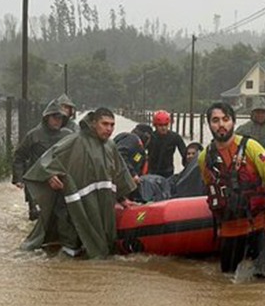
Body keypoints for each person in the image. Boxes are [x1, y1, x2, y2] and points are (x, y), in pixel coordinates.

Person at [22, 107, 137, 257]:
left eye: (112, 125)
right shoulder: (75, 141)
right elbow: (47, 160)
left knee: (104, 247)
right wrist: (49, 176)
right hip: (77, 208)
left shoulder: (110, 146)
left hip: (103, 207)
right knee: (72, 249)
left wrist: (123, 199)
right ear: (94, 123)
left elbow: (118, 174)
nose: (109, 129)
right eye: (105, 124)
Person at [198, 102, 265, 278]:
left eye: (225, 119)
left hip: (259, 225)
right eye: (215, 120)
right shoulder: (204, 158)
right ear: (209, 125)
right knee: (227, 282)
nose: (221, 125)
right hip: (231, 228)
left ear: (233, 122)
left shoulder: (251, 147)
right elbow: (209, 187)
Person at [11, 98, 73, 221]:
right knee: (37, 216)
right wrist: (18, 178)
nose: (57, 121)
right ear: (47, 118)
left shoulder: (68, 135)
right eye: (55, 118)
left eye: (60, 118)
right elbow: (19, 156)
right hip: (36, 181)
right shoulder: (34, 135)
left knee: (60, 217)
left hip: (59, 181)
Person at [146, 110, 187, 178]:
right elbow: (140, 152)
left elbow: (185, 153)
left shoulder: (175, 137)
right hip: (151, 172)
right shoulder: (150, 137)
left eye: (166, 124)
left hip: (168, 172)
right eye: (160, 125)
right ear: (155, 125)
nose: (163, 128)